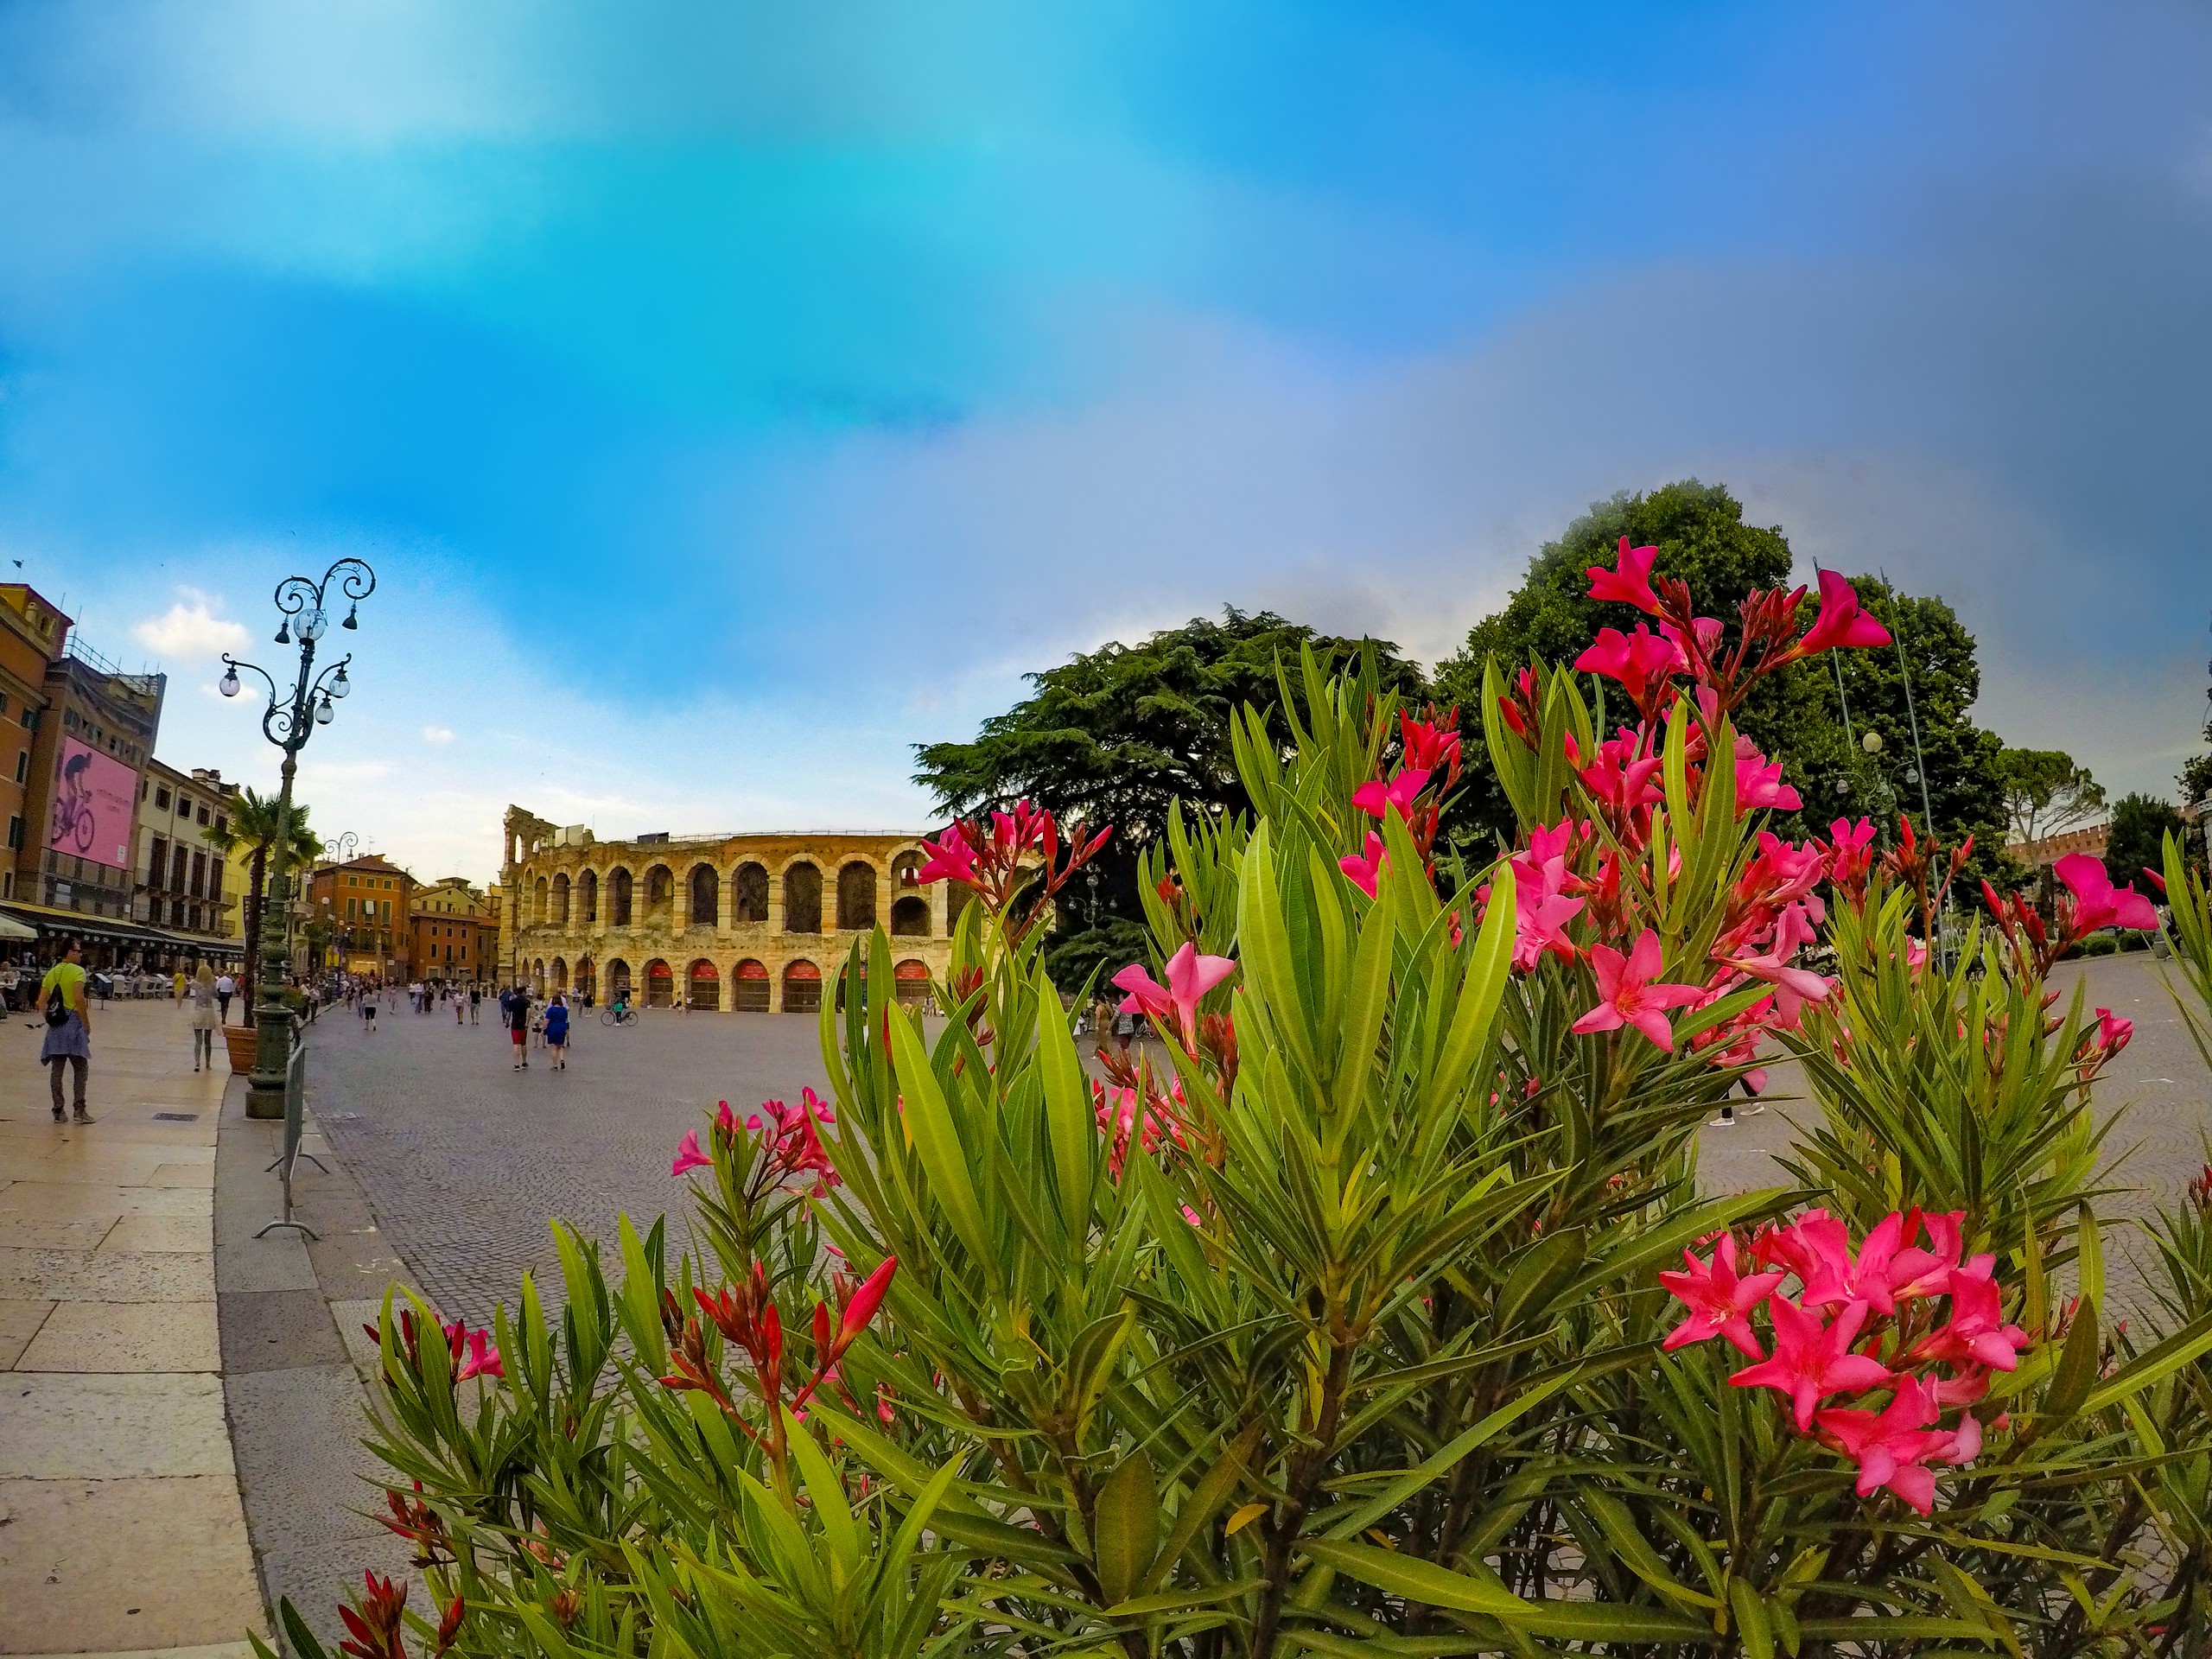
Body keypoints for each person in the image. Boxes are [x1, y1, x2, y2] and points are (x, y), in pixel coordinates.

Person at [39, 939, 94, 1124]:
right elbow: (79, 998)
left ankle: (58, 1111)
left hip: (56, 1027)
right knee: (80, 1067)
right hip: (74, 1023)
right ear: (68, 953)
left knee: (57, 1069)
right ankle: (80, 1110)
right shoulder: (78, 971)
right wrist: (86, 1023)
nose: (81, 954)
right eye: (77, 951)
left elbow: (40, 1002)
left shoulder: (52, 972)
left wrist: (51, 1017)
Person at [187, 963, 219, 1071]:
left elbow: (188, 985)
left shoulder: (196, 984)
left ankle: (197, 1063)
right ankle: (208, 1063)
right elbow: (216, 995)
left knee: (198, 1040)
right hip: (209, 1012)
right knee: (208, 1041)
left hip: (199, 1011)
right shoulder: (212, 984)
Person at [503, 983, 531, 1068]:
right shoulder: (527, 1001)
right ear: (523, 992)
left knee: (516, 1044)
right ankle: (524, 1062)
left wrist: (507, 1022)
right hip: (523, 1024)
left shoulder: (512, 1002)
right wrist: (527, 1023)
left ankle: (516, 1064)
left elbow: (508, 1013)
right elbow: (529, 1012)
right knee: (523, 1043)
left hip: (515, 1024)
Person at [543, 992, 569, 1070]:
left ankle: (555, 1065)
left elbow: (547, 1020)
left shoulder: (551, 1010)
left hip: (553, 1028)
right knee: (560, 1046)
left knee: (554, 1047)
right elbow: (566, 1019)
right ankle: (562, 1059)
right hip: (562, 1028)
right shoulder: (564, 1010)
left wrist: (544, 1028)